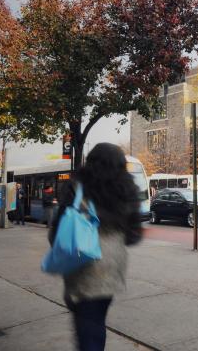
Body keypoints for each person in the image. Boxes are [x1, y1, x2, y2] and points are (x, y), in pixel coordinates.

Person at [49, 143, 143, 351]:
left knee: (88, 325)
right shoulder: (128, 190)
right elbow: (134, 236)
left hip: (83, 261)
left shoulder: (77, 187)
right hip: (114, 263)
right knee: (97, 317)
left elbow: (57, 231)